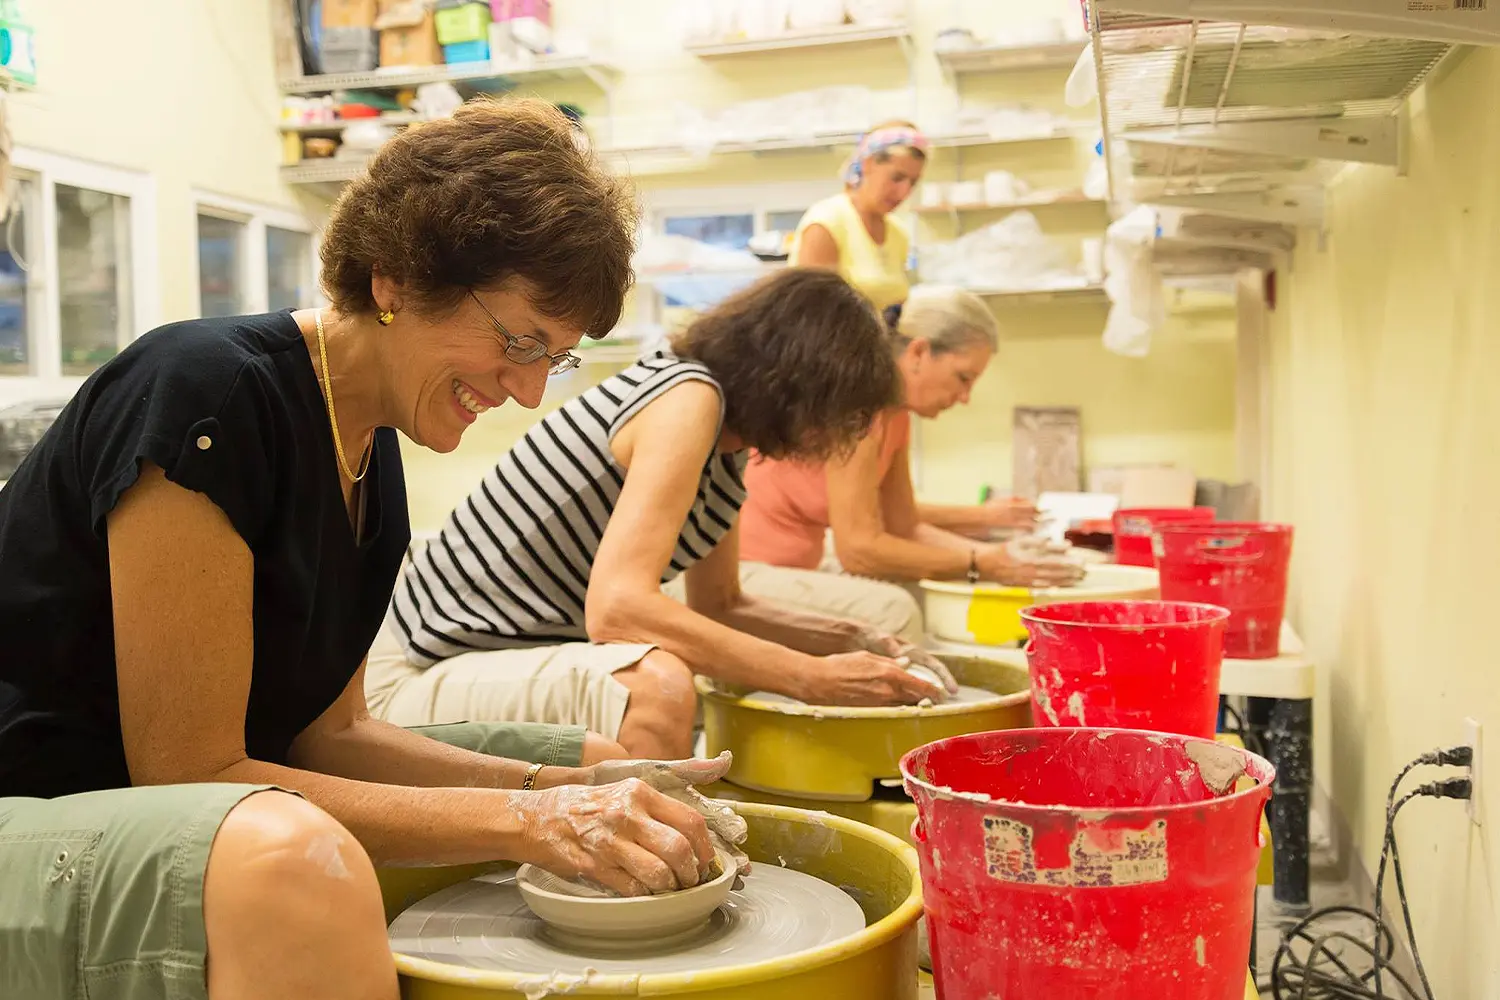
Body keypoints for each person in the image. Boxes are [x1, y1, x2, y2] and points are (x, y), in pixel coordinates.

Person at [0, 99, 735, 1000]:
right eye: (519, 341)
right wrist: (530, 818)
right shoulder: (207, 394)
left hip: (189, 794)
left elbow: (331, 732)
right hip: (37, 797)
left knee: (595, 767)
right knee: (292, 859)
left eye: (558, 357)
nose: (531, 388)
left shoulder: (371, 444)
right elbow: (189, 771)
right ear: (395, 279)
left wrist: (569, 791)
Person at [366, 268, 959, 762]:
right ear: (800, 382)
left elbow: (723, 603)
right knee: (659, 686)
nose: (841, 432)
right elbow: (619, 610)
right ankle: (653, 886)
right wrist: (812, 678)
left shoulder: (725, 448)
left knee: (699, 665)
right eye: (840, 408)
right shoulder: (687, 399)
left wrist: (854, 641)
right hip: (414, 666)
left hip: (475, 656)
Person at [737, 285, 1085, 604]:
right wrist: (983, 562)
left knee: (929, 594)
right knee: (897, 608)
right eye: (962, 378)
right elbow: (859, 550)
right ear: (919, 352)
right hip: (743, 572)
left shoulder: (897, 415)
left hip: (796, 565)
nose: (964, 397)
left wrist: (1006, 557)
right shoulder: (860, 408)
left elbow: (905, 527)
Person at [790, 119, 929, 313]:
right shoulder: (827, 223)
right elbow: (814, 316)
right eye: (896, 178)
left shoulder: (898, 234)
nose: (904, 192)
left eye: (913, 182)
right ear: (868, 165)